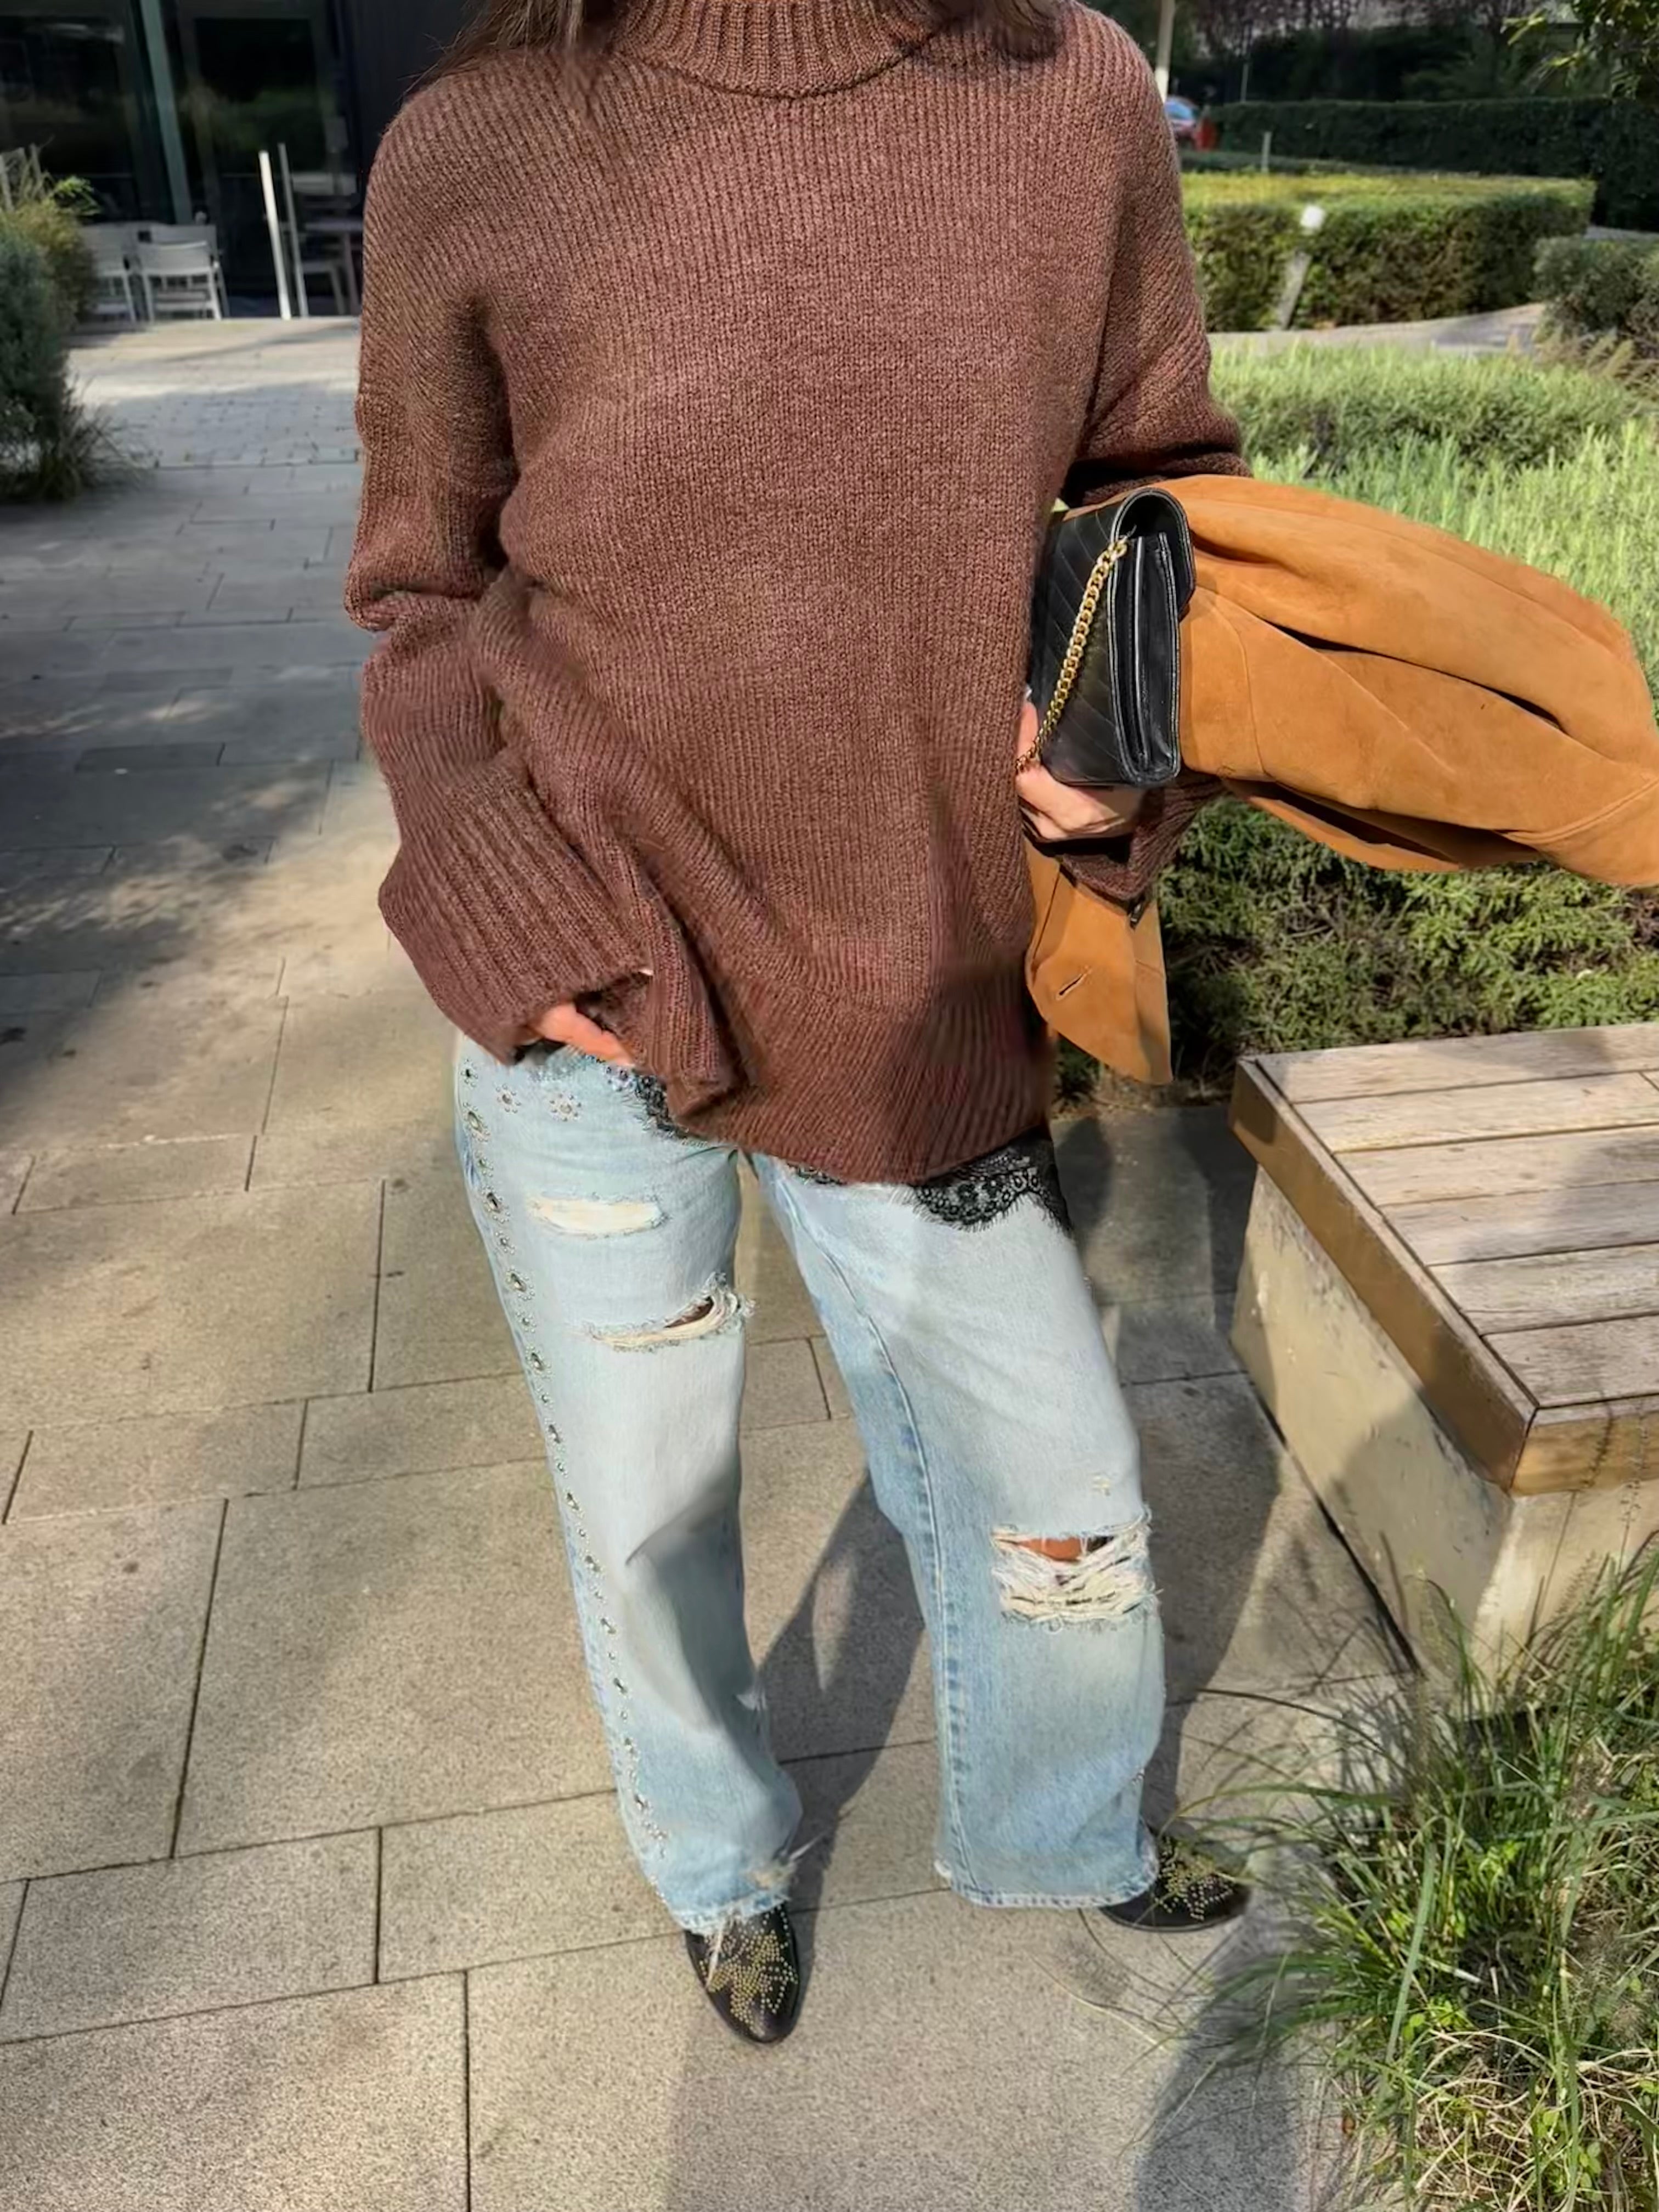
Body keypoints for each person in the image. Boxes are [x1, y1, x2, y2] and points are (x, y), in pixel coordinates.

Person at [346, 0, 1249, 2047]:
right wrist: (506, 903)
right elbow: (422, 589)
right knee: (649, 1506)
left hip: (922, 973)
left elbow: (1160, 494)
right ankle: (721, 1870)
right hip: (602, 982)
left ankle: (1062, 1826)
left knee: (1058, 1485)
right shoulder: (482, 136)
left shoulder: (1070, 95)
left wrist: (1118, 759)